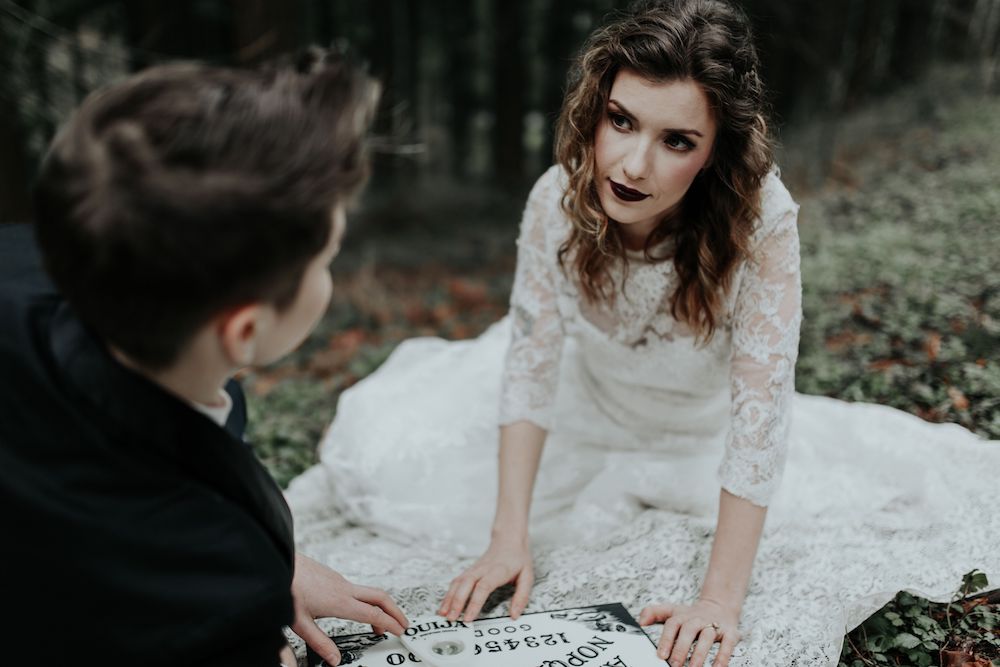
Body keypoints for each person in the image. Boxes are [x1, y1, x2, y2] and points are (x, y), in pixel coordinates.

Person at [288, 2, 998, 666]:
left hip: (697, 432)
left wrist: (719, 596)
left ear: (716, 151)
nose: (632, 165)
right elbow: (531, 371)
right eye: (621, 121)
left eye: (677, 140)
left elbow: (760, 409)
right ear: (595, 110)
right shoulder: (554, 201)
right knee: (398, 467)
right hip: (577, 409)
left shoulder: (762, 222)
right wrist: (509, 535)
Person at [0, 49, 407, 666]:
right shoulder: (213, 591)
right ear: (242, 331)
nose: (330, 276)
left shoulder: (35, 262)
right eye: (325, 260)